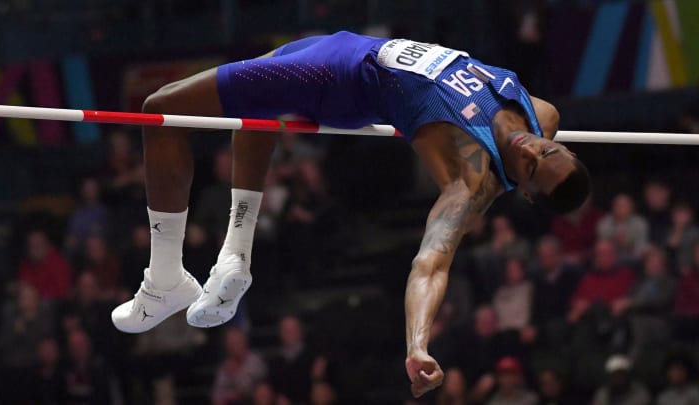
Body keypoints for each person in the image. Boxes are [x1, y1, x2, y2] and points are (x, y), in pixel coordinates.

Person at [111, 31, 592, 397]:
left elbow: (430, 264)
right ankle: (233, 258)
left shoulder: (469, 176)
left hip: (338, 79)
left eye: (531, 167)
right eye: (549, 153)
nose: (533, 151)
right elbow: (544, 139)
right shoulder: (543, 115)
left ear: (525, 193)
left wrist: (417, 346)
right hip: (357, 45)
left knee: (162, 109)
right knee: (256, 102)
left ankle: (166, 276)